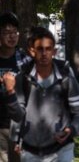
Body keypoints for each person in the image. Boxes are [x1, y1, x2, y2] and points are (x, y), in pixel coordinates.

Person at [11, 28, 79, 162]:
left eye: (48, 48)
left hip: (62, 149)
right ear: (32, 51)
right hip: (30, 151)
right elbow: (17, 115)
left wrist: (71, 130)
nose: (44, 53)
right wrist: (16, 138)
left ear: (54, 51)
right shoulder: (22, 78)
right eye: (40, 49)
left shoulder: (66, 77)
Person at [0, 12, 31, 161]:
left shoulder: (25, 61)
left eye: (14, 32)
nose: (12, 36)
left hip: (18, 125)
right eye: (7, 32)